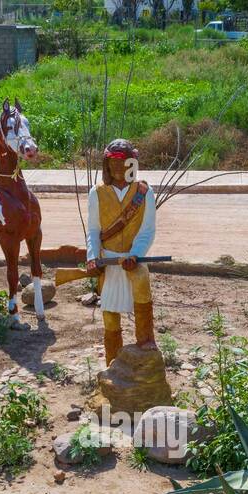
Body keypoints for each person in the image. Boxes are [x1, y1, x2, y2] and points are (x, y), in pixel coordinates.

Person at [85, 139, 158, 366]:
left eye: (123, 162)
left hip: (134, 259)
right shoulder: (97, 193)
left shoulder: (144, 193)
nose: (118, 168)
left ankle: (145, 338)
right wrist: (92, 257)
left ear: (132, 164)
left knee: (142, 285)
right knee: (108, 310)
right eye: (112, 162)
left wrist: (135, 253)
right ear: (106, 165)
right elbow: (94, 230)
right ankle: (113, 357)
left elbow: (147, 229)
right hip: (108, 259)